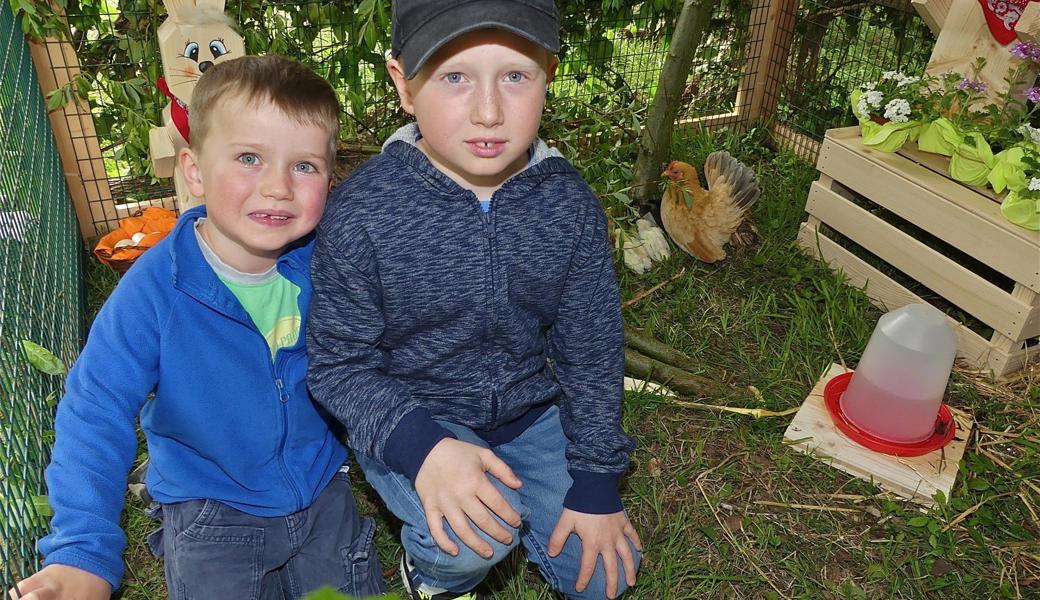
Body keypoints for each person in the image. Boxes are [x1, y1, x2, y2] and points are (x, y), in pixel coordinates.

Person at [8, 55, 387, 600]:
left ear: (330, 177)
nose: (279, 187)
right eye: (250, 158)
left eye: (304, 166)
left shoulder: (330, 264)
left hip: (319, 486)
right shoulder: (154, 290)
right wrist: (82, 549)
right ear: (193, 169)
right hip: (210, 501)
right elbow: (96, 408)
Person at [306, 2, 642, 598]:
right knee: (470, 543)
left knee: (605, 581)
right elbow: (337, 365)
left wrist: (594, 480)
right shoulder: (361, 212)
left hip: (529, 413)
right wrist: (422, 447)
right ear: (403, 85)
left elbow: (591, 350)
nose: (489, 112)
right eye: (454, 76)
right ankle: (433, 578)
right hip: (414, 413)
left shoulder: (570, 208)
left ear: (549, 76)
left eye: (515, 75)